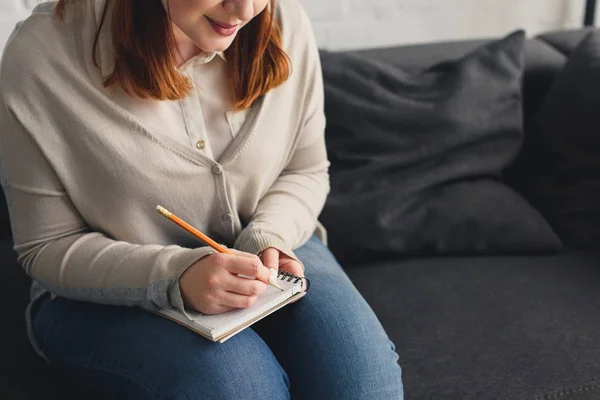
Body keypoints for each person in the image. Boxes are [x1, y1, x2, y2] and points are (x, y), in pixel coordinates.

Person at [0, 0, 404, 398]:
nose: (247, 11)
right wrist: (176, 274)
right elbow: (46, 247)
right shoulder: (44, 55)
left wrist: (269, 236)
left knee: (364, 383)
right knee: (237, 387)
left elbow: (305, 169)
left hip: (270, 242)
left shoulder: (282, 18)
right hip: (102, 290)